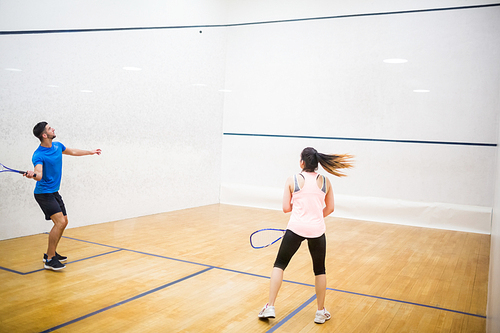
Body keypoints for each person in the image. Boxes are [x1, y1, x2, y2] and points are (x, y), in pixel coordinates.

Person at [258, 147, 353, 324]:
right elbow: (330, 208)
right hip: (317, 231)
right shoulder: (326, 181)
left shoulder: (292, 180)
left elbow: (286, 208)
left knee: (279, 265)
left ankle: (270, 306)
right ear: (317, 163)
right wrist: (314, 215)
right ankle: (320, 312)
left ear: (302, 162)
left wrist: (302, 213)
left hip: (295, 229)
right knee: (320, 270)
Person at [24, 122, 101, 271]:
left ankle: (50, 253)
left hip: (53, 192)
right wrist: (33, 175)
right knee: (59, 222)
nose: (53, 128)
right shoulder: (38, 155)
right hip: (43, 194)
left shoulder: (58, 146)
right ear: (44, 135)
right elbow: (39, 174)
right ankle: (50, 259)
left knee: (64, 221)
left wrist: (90, 152)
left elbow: (72, 152)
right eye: (49, 128)